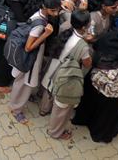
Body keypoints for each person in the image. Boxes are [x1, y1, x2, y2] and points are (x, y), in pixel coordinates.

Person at [9, 0, 60, 125]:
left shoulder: (38, 13)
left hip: (27, 56)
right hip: (30, 57)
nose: (55, 14)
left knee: (21, 81)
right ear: (45, 7)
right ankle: (16, 109)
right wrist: (46, 34)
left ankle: (16, 103)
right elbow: (28, 47)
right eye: (53, 10)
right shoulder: (39, 25)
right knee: (24, 83)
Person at [45, 10, 93, 140]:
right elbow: (87, 63)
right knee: (61, 108)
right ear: (84, 27)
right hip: (66, 75)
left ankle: (43, 110)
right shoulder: (83, 46)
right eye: (89, 23)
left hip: (54, 67)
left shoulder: (65, 28)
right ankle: (54, 132)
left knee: (48, 91)